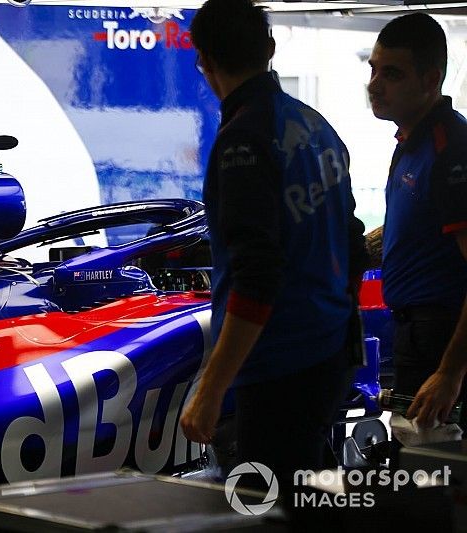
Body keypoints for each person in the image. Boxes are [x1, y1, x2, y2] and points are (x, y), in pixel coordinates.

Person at [179, 0, 368, 485]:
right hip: (330, 349)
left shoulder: (243, 139)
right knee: (312, 496)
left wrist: (211, 387)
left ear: (204, 62)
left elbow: (256, 277)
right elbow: (351, 241)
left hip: (278, 363)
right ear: (269, 48)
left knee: (268, 505)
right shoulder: (315, 125)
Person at [365, 14, 467, 430]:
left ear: (431, 79)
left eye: (391, 73)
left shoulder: (451, 150)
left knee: (432, 480)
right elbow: (415, 230)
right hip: (414, 333)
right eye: (372, 70)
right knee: (411, 472)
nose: (374, 84)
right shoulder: (413, 141)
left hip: (442, 340)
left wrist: (450, 373)